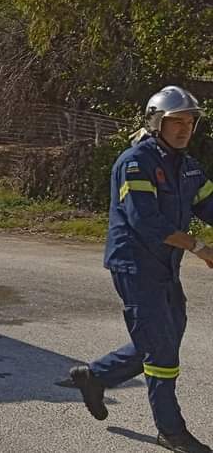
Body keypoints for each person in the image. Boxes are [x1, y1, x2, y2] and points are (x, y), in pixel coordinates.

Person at [69, 86, 213, 452]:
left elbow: (209, 205)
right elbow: (145, 221)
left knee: (167, 333)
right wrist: (199, 247)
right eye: (175, 121)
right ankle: (171, 431)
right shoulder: (136, 162)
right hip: (135, 265)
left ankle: (96, 375)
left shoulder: (188, 166)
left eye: (189, 122)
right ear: (155, 123)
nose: (183, 129)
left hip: (165, 265)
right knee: (162, 350)